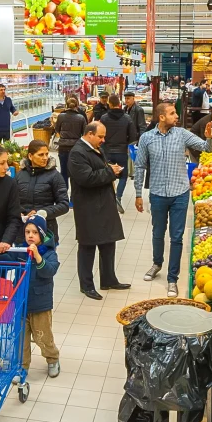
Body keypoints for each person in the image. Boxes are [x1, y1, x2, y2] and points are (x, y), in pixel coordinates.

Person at [134, 101, 212, 297]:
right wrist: (138, 193)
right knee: (157, 232)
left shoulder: (182, 134)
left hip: (180, 193)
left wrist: (210, 138)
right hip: (157, 193)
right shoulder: (147, 138)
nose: (176, 116)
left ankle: (173, 278)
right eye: (172, 113)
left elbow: (207, 148)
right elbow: (139, 166)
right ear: (161, 117)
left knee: (177, 237)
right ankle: (156, 264)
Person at [68, 122, 129, 299]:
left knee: (108, 242)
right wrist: (110, 171)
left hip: (103, 204)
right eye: (100, 136)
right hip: (88, 207)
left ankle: (109, 279)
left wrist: (109, 169)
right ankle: (86, 285)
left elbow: (98, 169)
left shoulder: (93, 148)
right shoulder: (77, 153)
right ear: (89, 134)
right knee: (88, 246)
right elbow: (87, 178)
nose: (103, 140)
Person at [19, 215, 61, 378]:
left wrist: (37, 256)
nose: (30, 236)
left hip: (40, 304)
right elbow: (7, 258)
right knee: (21, 339)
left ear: (42, 235)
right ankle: (22, 366)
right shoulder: (21, 251)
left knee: (42, 337)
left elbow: (50, 270)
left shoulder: (49, 253)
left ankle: (52, 358)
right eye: (27, 232)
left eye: (35, 232)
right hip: (21, 302)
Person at [17, 140, 69, 245]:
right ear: (30, 156)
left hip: (46, 232)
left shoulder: (54, 176)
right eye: (41, 155)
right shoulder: (20, 175)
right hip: (22, 234)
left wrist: (42, 213)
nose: (45, 158)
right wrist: (20, 212)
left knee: (45, 262)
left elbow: (64, 204)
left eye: (46, 154)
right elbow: (13, 201)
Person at [100, 94, 135, 212]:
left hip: (107, 151)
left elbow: (99, 134)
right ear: (119, 103)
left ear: (109, 104)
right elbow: (133, 135)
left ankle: (109, 199)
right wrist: (126, 144)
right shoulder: (127, 118)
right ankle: (118, 197)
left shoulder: (104, 118)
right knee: (123, 176)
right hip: (121, 151)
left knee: (108, 176)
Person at [54, 96, 88, 189]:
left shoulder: (61, 116)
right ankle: (74, 197)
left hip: (63, 147)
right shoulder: (81, 117)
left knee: (64, 171)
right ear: (77, 106)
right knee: (75, 172)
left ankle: (64, 196)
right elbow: (85, 133)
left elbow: (57, 129)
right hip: (76, 148)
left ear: (66, 106)